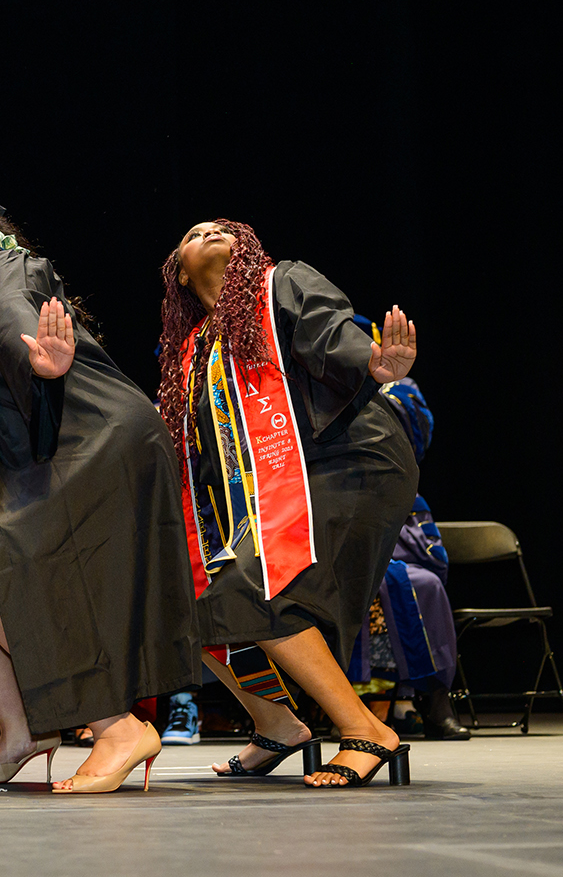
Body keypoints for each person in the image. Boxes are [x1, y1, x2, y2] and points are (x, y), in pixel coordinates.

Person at [0, 165, 198, 795]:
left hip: (87, 435)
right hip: (18, 459)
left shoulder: (1, 269)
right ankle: (20, 730)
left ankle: (117, 725)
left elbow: (11, 316)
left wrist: (33, 353)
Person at [158, 219, 420, 788]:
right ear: (179, 268)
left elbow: (330, 333)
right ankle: (276, 722)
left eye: (220, 229)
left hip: (350, 456)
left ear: (246, 247)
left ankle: (367, 730)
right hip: (276, 489)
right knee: (191, 601)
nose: (207, 231)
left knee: (253, 586)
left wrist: (373, 363)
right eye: (193, 232)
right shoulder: (193, 352)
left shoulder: (281, 283)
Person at [343, 366, 467, 742]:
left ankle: (434, 700)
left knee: (422, 582)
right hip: (338, 501)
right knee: (366, 584)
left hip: (389, 498)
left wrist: (373, 392)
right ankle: (364, 706)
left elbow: (415, 429)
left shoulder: (399, 388)